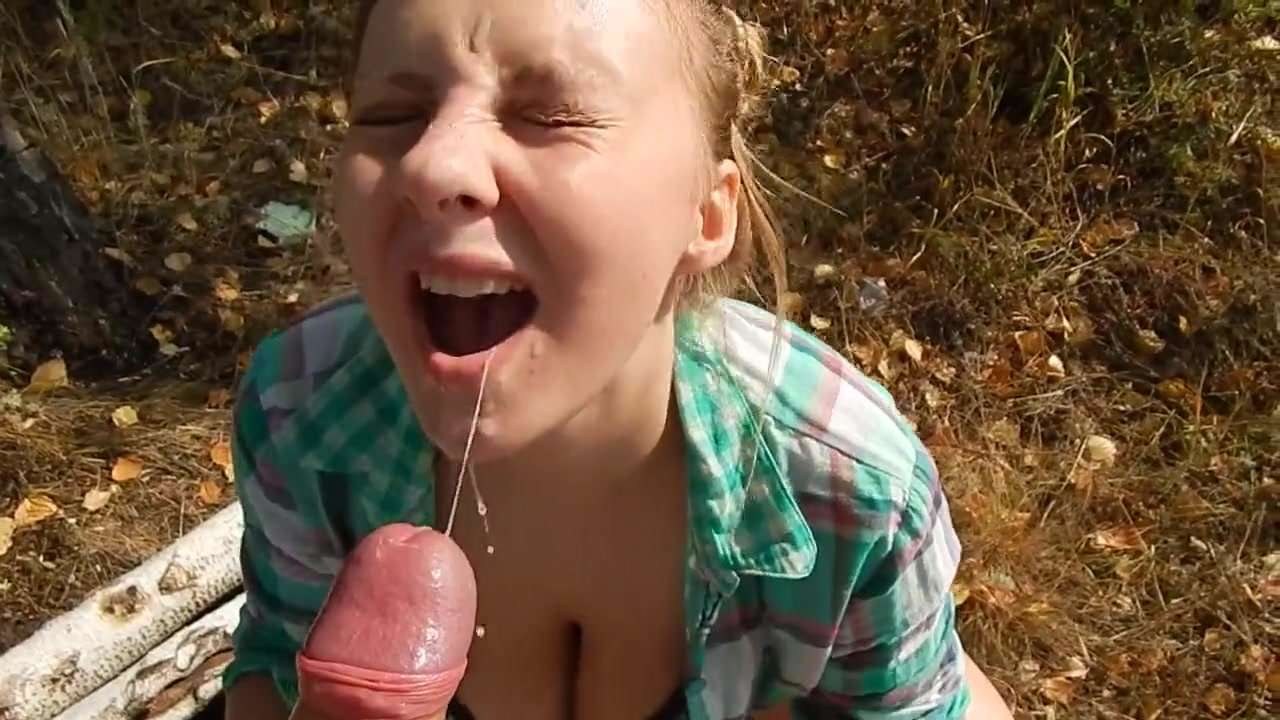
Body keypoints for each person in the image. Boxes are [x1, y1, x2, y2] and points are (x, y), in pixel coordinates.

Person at [222, 0, 1016, 718]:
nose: (433, 166)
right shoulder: (301, 414)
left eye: (552, 115)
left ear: (706, 215)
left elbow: (910, 706)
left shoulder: (850, 493)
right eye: (392, 115)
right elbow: (275, 661)